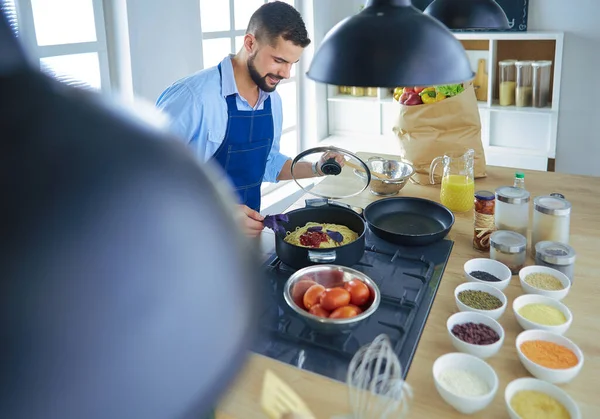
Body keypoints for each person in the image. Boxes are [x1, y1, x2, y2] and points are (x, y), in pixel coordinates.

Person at [156, 1, 343, 237]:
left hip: (243, 240)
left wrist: (319, 168)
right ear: (250, 43)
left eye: (292, 63)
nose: (286, 74)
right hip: (190, 240)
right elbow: (148, 180)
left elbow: (267, 163)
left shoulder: (272, 101)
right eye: (279, 60)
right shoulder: (194, 97)